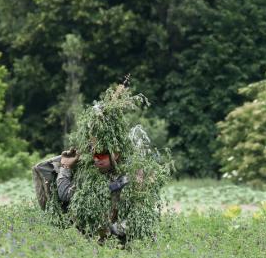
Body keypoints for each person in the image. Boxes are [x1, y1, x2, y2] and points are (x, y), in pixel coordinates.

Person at [32, 84, 169, 243]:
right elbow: (63, 191)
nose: (97, 159)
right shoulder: (89, 172)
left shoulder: (133, 170)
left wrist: (117, 227)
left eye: (102, 154)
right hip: (92, 238)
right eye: (94, 154)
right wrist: (66, 166)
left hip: (124, 240)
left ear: (116, 154)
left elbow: (139, 212)